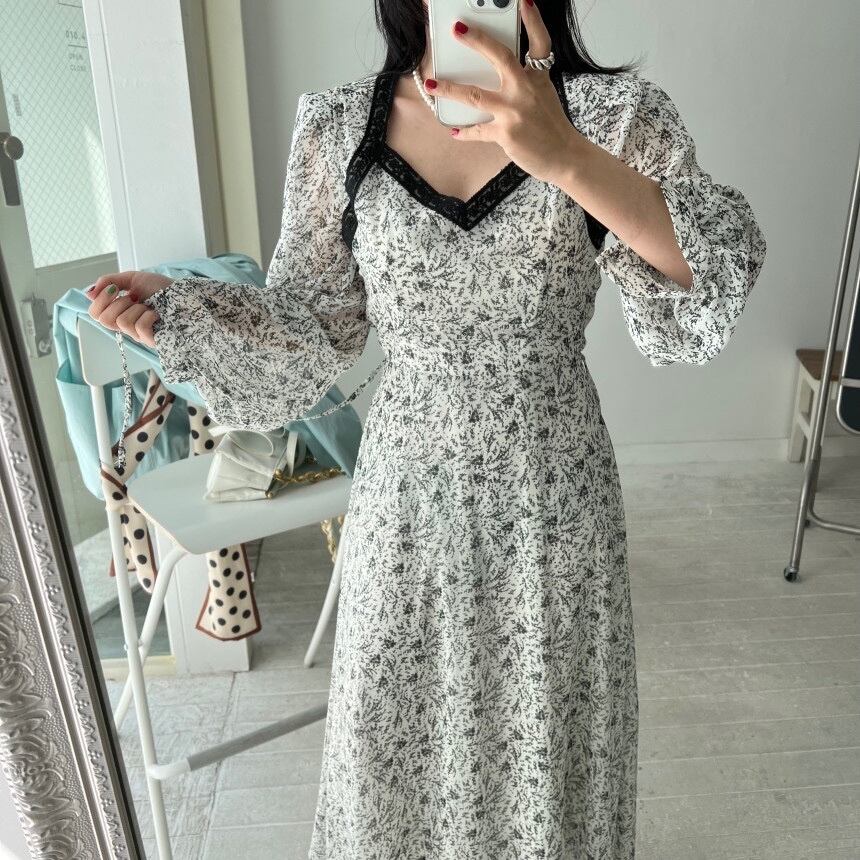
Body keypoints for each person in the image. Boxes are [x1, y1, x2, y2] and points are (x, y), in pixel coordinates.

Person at [87, 0, 766, 856]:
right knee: (391, 761)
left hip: (552, 507)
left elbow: (709, 274)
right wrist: (186, 317)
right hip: (405, 507)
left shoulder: (613, 116)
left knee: (544, 758)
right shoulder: (340, 125)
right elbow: (314, 328)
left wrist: (564, 154)